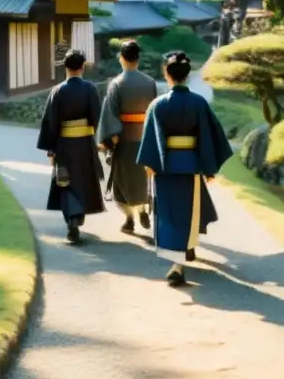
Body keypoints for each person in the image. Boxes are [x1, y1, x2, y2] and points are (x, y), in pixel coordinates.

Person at [136, 51, 233, 286]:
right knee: (189, 212)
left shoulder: (157, 105)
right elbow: (212, 136)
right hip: (191, 165)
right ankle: (185, 253)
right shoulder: (198, 103)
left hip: (165, 167)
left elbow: (150, 140)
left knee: (169, 214)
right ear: (188, 76)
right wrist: (207, 166)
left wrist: (151, 164)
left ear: (167, 74)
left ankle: (177, 265)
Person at [38, 49, 106, 244]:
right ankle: (77, 219)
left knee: (66, 182)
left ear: (65, 67)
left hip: (64, 145)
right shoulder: (90, 89)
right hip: (84, 144)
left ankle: (72, 222)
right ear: (82, 67)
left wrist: (51, 149)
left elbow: (50, 123)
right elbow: (96, 117)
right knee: (82, 181)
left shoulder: (57, 91)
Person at [97, 40, 158, 235]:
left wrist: (109, 140)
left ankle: (129, 219)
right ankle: (142, 210)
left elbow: (110, 115)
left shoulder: (116, 84)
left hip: (124, 140)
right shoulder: (150, 83)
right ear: (138, 59)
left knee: (122, 183)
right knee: (142, 180)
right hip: (144, 139)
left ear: (121, 58)